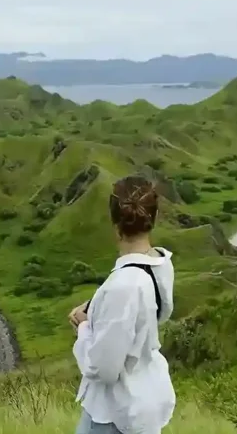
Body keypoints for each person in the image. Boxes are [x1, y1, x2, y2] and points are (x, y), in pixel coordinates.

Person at [69, 175, 176, 434]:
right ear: (155, 215)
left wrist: (83, 328)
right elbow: (153, 315)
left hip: (114, 416)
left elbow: (104, 369)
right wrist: (100, 312)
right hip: (144, 400)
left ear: (115, 222)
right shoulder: (161, 265)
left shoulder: (123, 286)